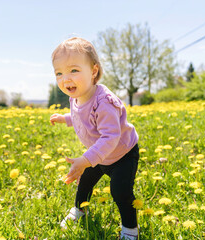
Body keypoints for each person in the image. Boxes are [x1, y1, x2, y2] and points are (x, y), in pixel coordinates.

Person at [49, 37, 140, 240]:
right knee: (85, 183)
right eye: (59, 73)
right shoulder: (76, 98)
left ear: (93, 71)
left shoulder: (104, 103)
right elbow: (81, 116)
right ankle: (80, 210)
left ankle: (130, 231)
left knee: (120, 192)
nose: (66, 78)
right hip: (98, 154)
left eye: (74, 70)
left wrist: (85, 160)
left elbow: (110, 137)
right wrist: (64, 118)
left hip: (122, 154)